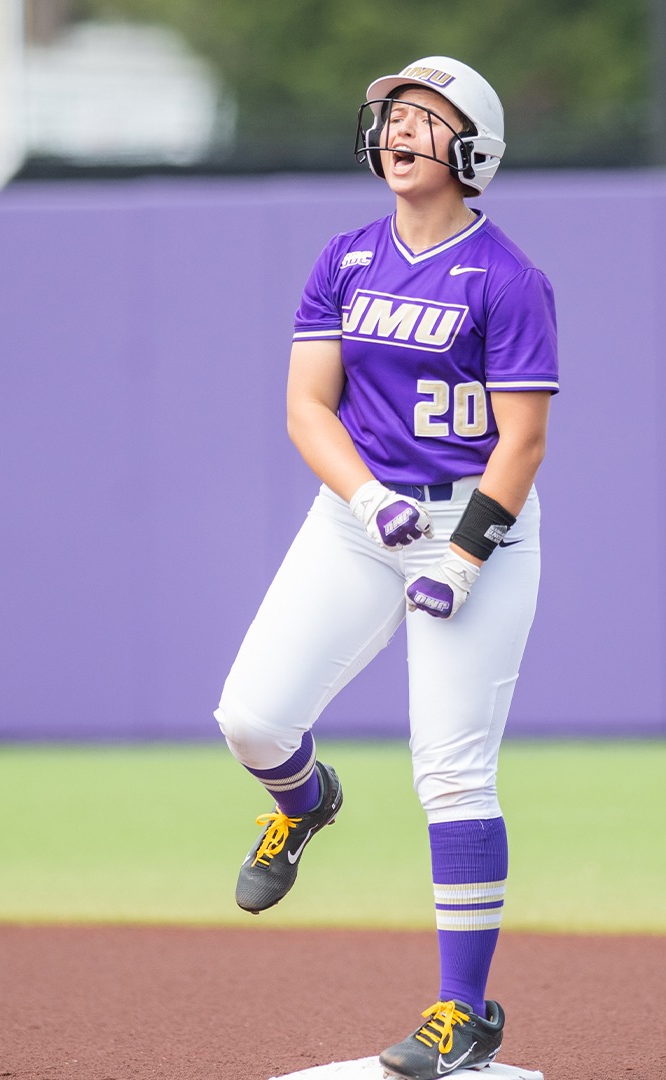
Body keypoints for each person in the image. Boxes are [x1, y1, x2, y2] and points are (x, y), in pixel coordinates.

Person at [212, 56, 558, 1080]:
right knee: (252, 720)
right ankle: (304, 800)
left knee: (451, 773)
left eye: (426, 116)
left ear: (473, 147)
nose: (402, 129)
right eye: (394, 115)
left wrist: (463, 554)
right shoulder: (346, 258)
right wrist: (368, 500)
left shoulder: (509, 277)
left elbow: (523, 444)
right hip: (362, 517)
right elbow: (306, 408)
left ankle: (465, 1014)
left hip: (477, 528)